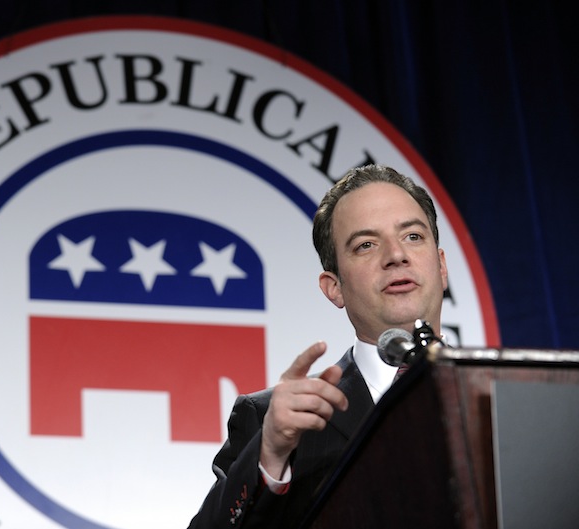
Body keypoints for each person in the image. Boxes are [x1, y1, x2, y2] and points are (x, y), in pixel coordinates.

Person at [187, 164, 449, 528]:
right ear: (334, 287)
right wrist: (271, 454)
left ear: (441, 266)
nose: (396, 255)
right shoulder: (273, 422)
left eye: (413, 237)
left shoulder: (501, 394)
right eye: (366, 245)